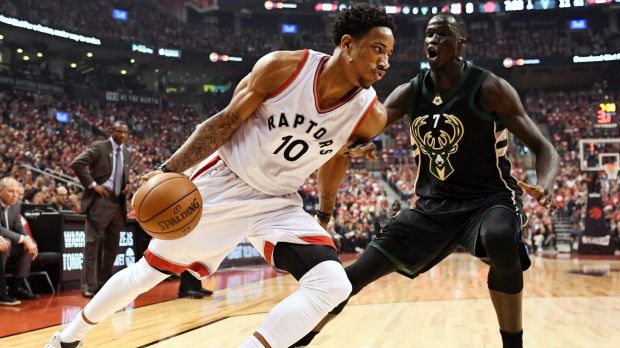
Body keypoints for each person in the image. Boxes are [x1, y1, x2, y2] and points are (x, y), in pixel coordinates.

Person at [46, 4, 394, 348]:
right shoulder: (285, 68)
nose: (385, 63)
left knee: (333, 285)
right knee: (147, 273)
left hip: (278, 202)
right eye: (378, 49)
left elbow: (336, 156)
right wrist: (170, 169)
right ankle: (68, 337)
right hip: (226, 182)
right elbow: (225, 122)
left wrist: (325, 213)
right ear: (347, 44)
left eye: (389, 54)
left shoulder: (371, 115)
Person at [291, 13, 560, 348]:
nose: (433, 41)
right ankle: (298, 338)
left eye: (443, 36)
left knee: (501, 235)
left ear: (460, 44)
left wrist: (544, 183)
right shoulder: (410, 92)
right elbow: (372, 128)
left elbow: (543, 147)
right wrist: (360, 144)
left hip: (489, 199)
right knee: (355, 274)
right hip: (433, 206)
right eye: (429, 35)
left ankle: (513, 344)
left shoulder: (490, 87)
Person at [70, 121, 131, 298]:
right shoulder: (100, 147)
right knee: (92, 244)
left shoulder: (127, 152)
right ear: (112, 131)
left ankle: (105, 283)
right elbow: (78, 163)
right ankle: (89, 285)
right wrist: (93, 185)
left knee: (112, 247)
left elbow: (122, 176)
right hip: (100, 200)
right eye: (119, 131)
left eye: (125, 132)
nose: (122, 135)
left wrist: (127, 185)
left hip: (118, 204)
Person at [0, 177, 39, 305]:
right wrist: (22, 239)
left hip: (7, 240)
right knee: (6, 244)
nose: (15, 195)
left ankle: (16, 287)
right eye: (11, 191)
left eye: (17, 192)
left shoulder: (17, 204)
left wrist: (27, 239)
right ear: (1, 191)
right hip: (3, 242)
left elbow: (17, 225)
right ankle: (1, 292)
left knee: (30, 246)